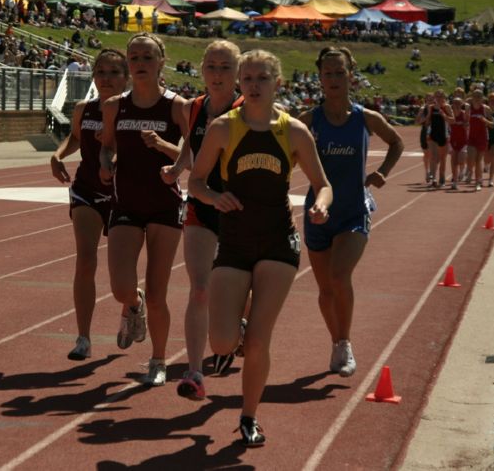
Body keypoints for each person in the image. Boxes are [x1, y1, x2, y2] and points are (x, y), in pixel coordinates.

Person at [189, 49, 332, 446]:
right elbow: (195, 182)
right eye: (247, 78)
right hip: (233, 242)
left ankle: (249, 416)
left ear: (277, 84)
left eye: (261, 78)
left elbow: (323, 184)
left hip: (277, 242)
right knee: (220, 341)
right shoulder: (223, 128)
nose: (253, 85)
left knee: (258, 342)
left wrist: (320, 204)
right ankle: (233, 339)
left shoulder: (294, 132)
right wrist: (213, 198)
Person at [299, 46, 404, 379]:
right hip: (317, 213)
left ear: (351, 75)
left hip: (353, 212)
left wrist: (383, 171)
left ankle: (345, 342)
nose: (333, 79)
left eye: (339, 72)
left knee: (339, 276)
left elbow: (396, 141)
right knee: (325, 291)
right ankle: (336, 341)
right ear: (319, 78)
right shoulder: (308, 121)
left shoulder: (364, 117)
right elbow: (282, 149)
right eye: (327, 73)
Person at [100, 33, 190, 386]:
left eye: (147, 58)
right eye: (134, 57)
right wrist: (106, 164)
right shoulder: (114, 106)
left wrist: (167, 153)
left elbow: (193, 154)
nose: (139, 63)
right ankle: (131, 305)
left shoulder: (177, 106)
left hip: (164, 205)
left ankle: (158, 360)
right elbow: (107, 146)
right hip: (125, 203)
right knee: (121, 286)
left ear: (161, 62)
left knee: (158, 292)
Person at [160, 40, 244, 401]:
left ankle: (234, 331)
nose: (217, 74)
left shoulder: (249, 109)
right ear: (201, 70)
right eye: (211, 66)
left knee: (239, 290)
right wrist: (178, 168)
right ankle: (195, 372)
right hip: (202, 206)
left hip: (242, 209)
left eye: (225, 67)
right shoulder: (194, 108)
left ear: (237, 73)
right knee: (199, 287)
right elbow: (191, 146)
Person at [50, 49, 129, 360]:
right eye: (101, 72)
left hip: (124, 194)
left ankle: (132, 303)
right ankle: (84, 337)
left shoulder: (134, 111)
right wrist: (57, 156)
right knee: (85, 260)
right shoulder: (84, 109)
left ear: (126, 77)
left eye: (113, 72)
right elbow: (75, 138)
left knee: (121, 273)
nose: (106, 78)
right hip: (86, 189)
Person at [464, 89, 494, 191]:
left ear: (482, 98)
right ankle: (469, 170)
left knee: (478, 161)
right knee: (471, 158)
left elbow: (492, 124)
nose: (477, 98)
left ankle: (478, 182)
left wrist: (485, 120)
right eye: (475, 96)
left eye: (479, 96)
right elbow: (465, 122)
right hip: (472, 137)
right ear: (472, 97)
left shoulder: (486, 109)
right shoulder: (469, 108)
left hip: (482, 138)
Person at [425, 89, 455, 188]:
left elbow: (452, 120)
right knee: (433, 156)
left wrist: (443, 115)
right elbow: (428, 120)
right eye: (436, 96)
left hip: (444, 135)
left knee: (442, 159)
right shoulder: (431, 107)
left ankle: (442, 178)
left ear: (444, 97)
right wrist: (425, 121)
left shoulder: (447, 107)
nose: (438, 98)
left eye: (440, 96)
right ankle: (433, 178)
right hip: (433, 135)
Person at [449, 96, 469, 189]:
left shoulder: (464, 114)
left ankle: (462, 170)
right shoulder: (450, 114)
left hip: (463, 140)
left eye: (458, 103)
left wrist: (464, 124)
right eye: (455, 103)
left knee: (461, 159)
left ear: (461, 104)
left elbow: (468, 125)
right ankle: (455, 181)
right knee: (453, 162)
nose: (456, 105)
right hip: (453, 140)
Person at [415, 93, 433, 184]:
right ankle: (427, 172)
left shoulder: (437, 108)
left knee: (434, 154)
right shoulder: (423, 109)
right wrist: (426, 117)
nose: (430, 101)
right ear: (426, 100)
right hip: (425, 132)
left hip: (435, 133)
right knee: (427, 154)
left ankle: (432, 172)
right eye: (428, 99)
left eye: (432, 99)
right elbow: (417, 121)